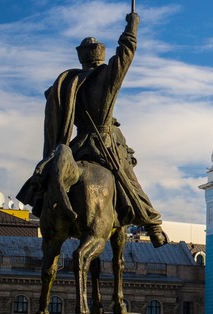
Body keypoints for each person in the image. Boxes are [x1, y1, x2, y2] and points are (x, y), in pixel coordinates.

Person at [17, 13, 168, 247]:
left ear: (82, 59)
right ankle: (153, 224)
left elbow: (51, 99)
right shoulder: (104, 78)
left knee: (57, 174)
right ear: (100, 56)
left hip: (78, 146)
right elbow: (126, 53)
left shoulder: (68, 84)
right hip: (105, 145)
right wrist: (132, 26)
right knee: (130, 182)